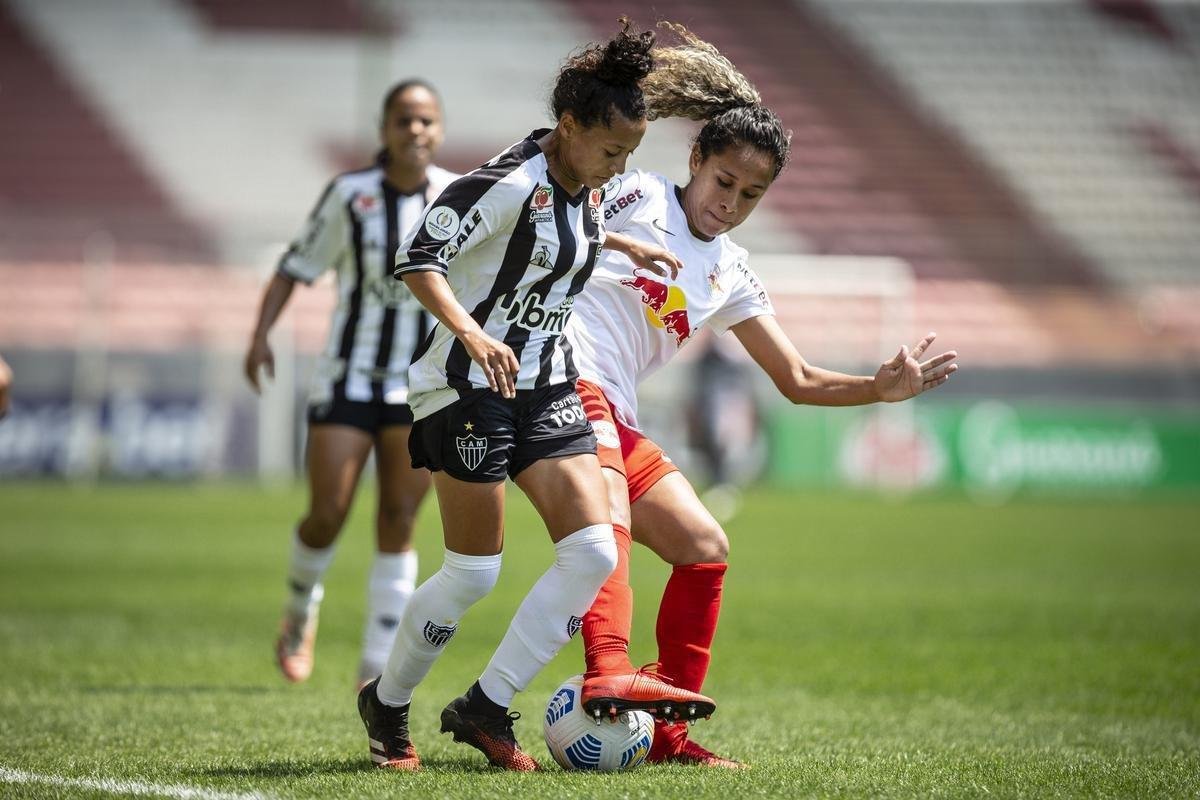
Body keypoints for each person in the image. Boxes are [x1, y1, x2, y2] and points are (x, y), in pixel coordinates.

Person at [569, 23, 959, 768]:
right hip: (559, 383)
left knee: (705, 546)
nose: (730, 203)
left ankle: (668, 738)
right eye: (724, 182)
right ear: (695, 159)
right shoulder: (633, 191)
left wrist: (878, 389)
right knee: (602, 520)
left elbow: (798, 380)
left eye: (751, 194)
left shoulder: (730, 272)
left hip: (613, 411)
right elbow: (555, 206)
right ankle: (607, 672)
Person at [355, 20, 714, 773]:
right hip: (465, 388)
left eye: (630, 154)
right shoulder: (504, 184)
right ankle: (387, 702)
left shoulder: (583, 184)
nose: (619, 168)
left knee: (592, 552)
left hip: (547, 383)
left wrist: (621, 243)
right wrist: (473, 335)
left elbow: (565, 232)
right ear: (570, 127)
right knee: (473, 573)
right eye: (612, 151)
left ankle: (485, 708)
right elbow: (419, 259)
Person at [244, 79, 456, 688]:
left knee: (399, 517)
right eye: (404, 119)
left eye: (426, 120)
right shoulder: (351, 195)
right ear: (384, 128)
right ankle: (298, 613)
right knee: (327, 513)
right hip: (348, 376)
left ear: (440, 129)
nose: (415, 130)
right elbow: (294, 266)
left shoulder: (455, 196)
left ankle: (376, 666)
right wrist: (261, 335)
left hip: (419, 387)